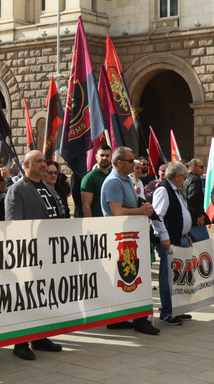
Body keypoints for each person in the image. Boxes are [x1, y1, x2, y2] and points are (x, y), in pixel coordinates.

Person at [4, 150, 65, 359]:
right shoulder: (17, 190)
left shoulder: (47, 187)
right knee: (26, 298)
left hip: (51, 252)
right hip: (30, 254)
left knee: (44, 295)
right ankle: (20, 343)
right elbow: (13, 225)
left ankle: (40, 336)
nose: (44, 165)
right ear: (26, 165)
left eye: (43, 161)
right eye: (39, 161)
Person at [101, 147, 160, 336]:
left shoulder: (126, 180)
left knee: (130, 277)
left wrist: (143, 206)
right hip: (121, 238)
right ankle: (138, 320)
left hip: (132, 236)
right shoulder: (113, 182)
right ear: (119, 163)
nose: (134, 163)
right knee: (130, 277)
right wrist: (140, 211)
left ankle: (122, 318)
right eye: (130, 160)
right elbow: (117, 211)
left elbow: (131, 204)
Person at [150, 161, 191, 326]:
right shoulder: (163, 190)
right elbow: (157, 216)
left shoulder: (176, 190)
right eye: (184, 176)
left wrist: (186, 234)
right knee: (168, 277)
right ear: (177, 176)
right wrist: (164, 237)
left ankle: (177, 309)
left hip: (180, 238)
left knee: (179, 277)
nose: (185, 179)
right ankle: (167, 312)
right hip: (170, 241)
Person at [180, 158, 211, 244]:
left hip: (186, 219)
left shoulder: (184, 179)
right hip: (195, 220)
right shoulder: (194, 179)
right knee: (206, 246)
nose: (203, 169)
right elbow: (192, 197)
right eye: (201, 167)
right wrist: (199, 215)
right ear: (193, 167)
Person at [79, 144, 112, 217]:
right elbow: (86, 205)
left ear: (111, 157)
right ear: (96, 157)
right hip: (98, 221)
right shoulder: (89, 178)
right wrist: (90, 225)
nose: (104, 158)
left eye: (107, 155)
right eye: (102, 155)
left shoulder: (114, 174)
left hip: (114, 220)